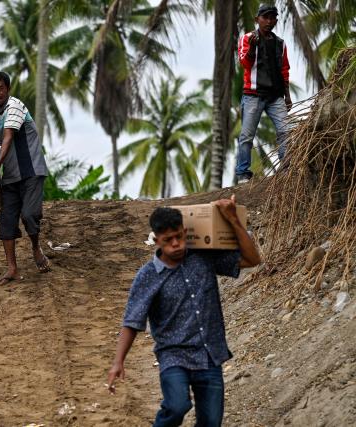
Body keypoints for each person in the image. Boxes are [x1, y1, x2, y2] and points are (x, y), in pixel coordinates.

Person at [106, 196, 261, 426]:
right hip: (173, 356)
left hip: (210, 354)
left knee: (210, 422)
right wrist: (118, 361)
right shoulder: (148, 276)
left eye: (180, 236)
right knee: (177, 406)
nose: (177, 243)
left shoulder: (204, 257)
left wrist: (234, 220)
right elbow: (132, 320)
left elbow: (252, 259)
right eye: (169, 240)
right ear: (157, 240)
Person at [0, 71, 50, 285]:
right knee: (6, 221)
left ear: (8, 89)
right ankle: (12, 268)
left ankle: (35, 247)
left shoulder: (14, 106)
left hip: (31, 172)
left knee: (30, 215)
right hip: (11, 177)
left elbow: (8, 137)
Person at [235, 3, 292, 184]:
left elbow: (284, 70)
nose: (269, 21)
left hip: (275, 96)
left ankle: (285, 170)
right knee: (246, 136)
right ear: (257, 19)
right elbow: (245, 63)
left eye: (272, 18)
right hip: (253, 95)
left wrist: (287, 96)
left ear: (275, 20)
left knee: (285, 132)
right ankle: (243, 173)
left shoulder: (280, 44)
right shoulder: (247, 39)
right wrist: (252, 48)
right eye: (265, 17)